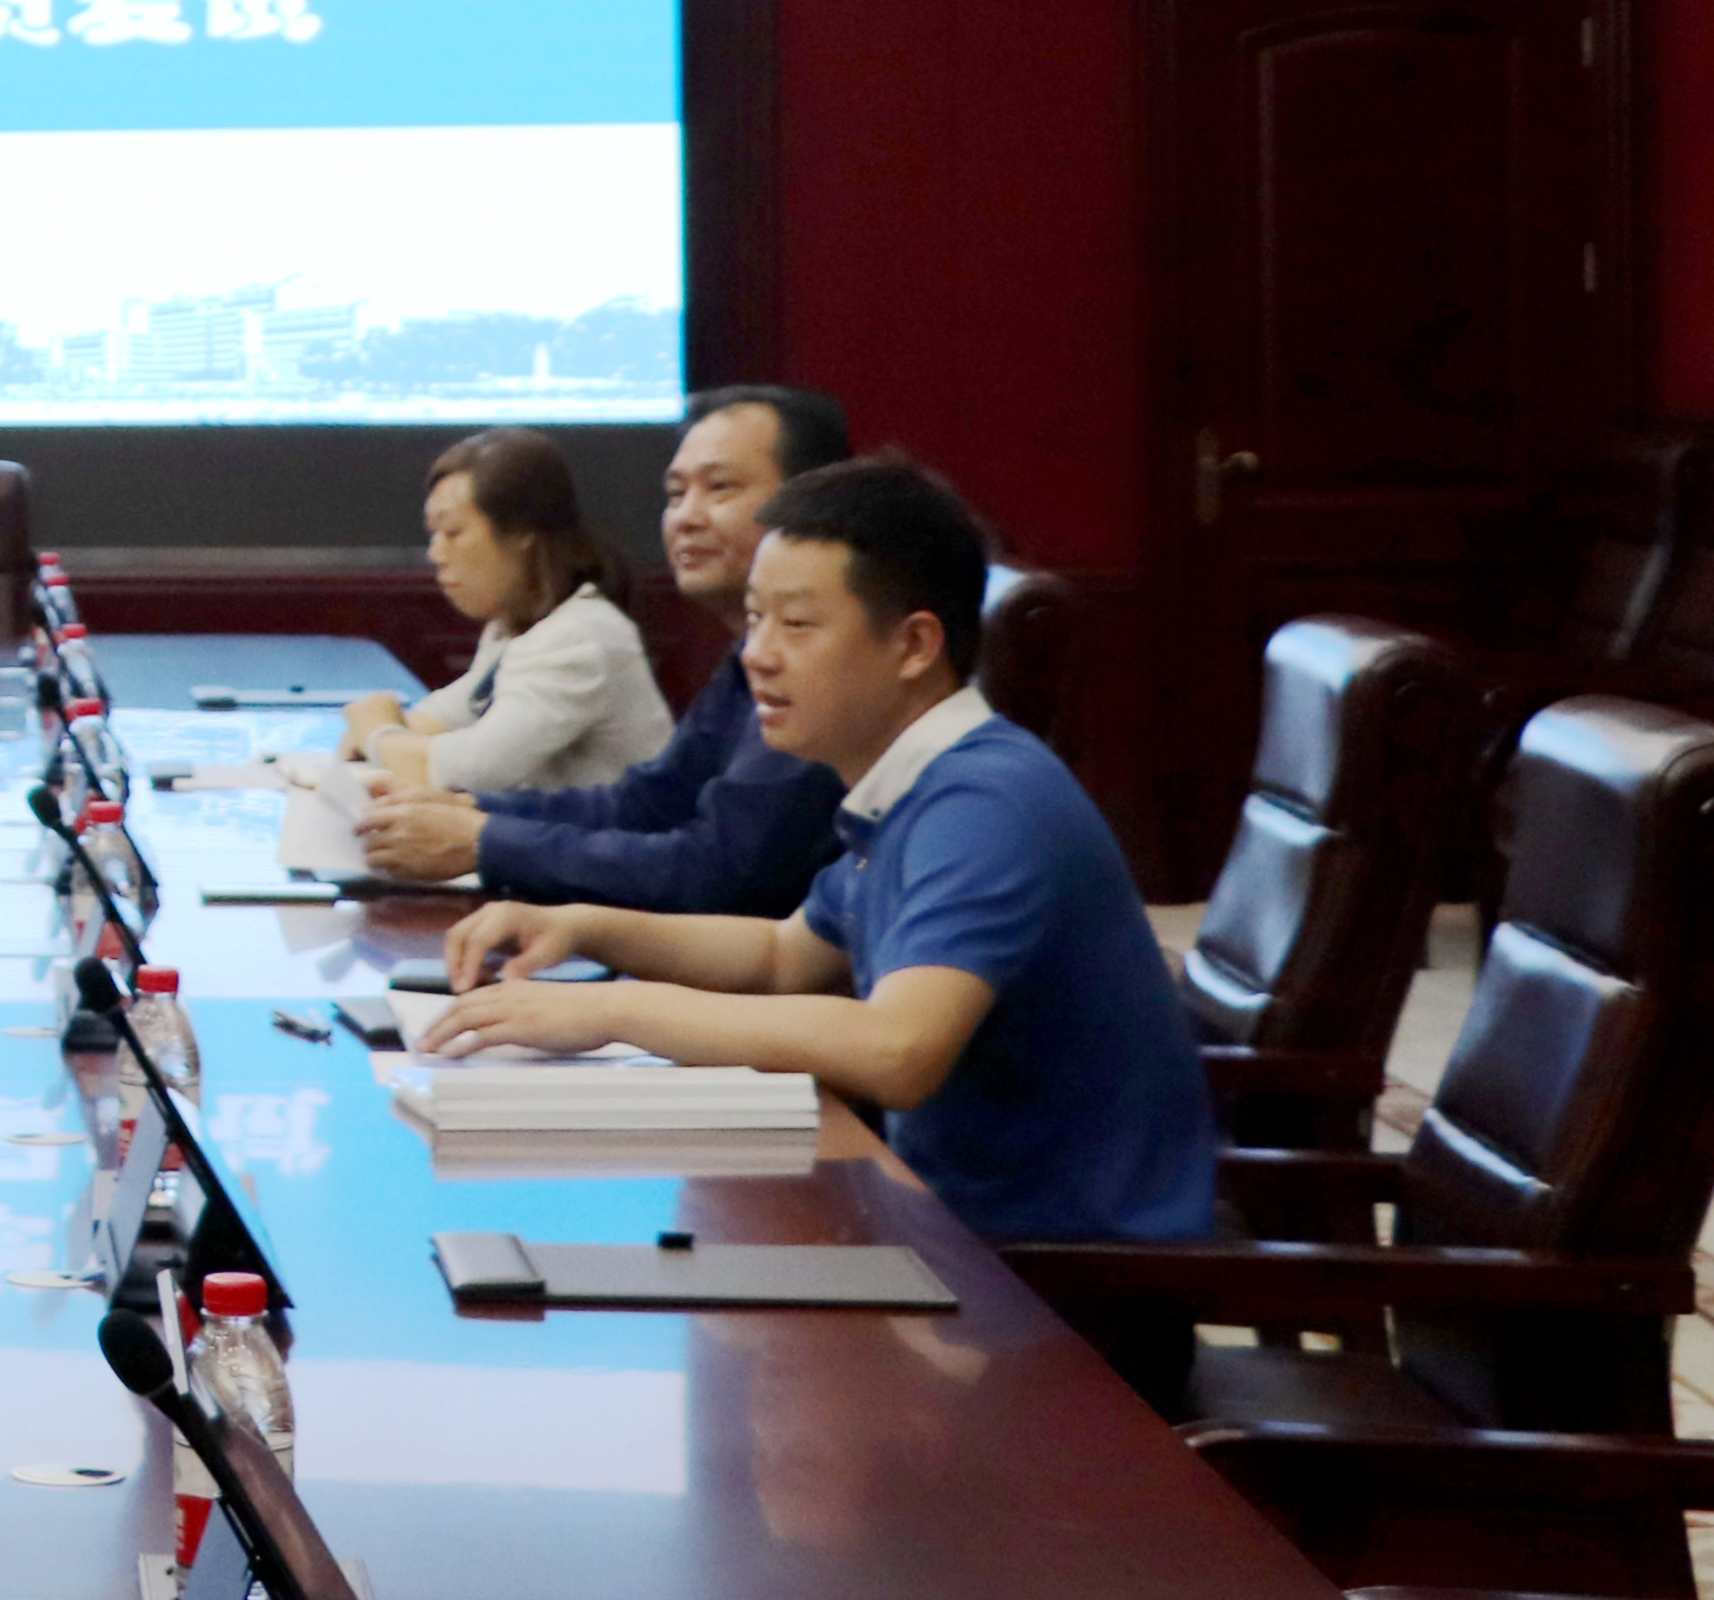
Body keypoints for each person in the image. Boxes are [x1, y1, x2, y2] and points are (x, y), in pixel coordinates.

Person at [414, 456, 1219, 1250]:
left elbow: (898, 1049)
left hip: (1064, 1277)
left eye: (796, 625)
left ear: (914, 646)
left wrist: (611, 1011)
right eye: (754, 619)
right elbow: (781, 956)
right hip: (953, 1228)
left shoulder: (983, 804)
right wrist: (581, 926)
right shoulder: (911, 782)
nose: (757, 654)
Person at [355, 384, 855, 911]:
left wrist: (483, 839)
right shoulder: (744, 657)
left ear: (809, 499)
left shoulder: (830, 665)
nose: (687, 517)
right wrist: (470, 813)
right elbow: (647, 804)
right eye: (675, 494)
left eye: (720, 487)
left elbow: (717, 872)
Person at [323, 426, 667, 795]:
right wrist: (386, 730)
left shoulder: (579, 637)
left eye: (453, 532)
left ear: (522, 531)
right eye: (433, 534)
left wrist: (378, 734)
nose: (436, 554)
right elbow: (448, 715)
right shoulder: (513, 626)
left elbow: (473, 768)